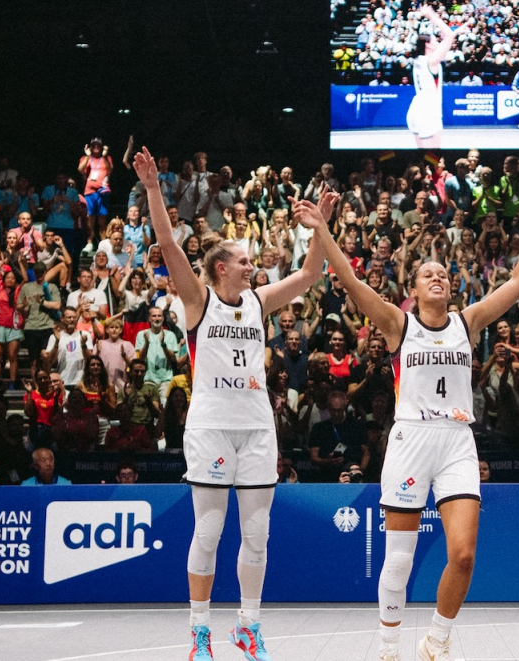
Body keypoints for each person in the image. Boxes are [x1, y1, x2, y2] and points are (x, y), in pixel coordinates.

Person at [313, 167, 519, 661]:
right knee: (400, 559)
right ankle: (388, 646)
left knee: (464, 554)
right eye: (429, 274)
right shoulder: (396, 323)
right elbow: (349, 278)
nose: (438, 278)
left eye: (444, 274)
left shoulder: (467, 322)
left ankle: (437, 641)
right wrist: (322, 229)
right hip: (410, 439)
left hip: (456, 441)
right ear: (414, 285)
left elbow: (517, 280)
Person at [139, 146, 337, 661]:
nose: (255, 266)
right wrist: (155, 189)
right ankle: (199, 631)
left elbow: (311, 276)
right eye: (245, 260)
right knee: (208, 529)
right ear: (221, 267)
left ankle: (248, 626)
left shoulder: (258, 300)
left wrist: (322, 226)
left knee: (257, 532)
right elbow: (166, 242)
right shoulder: (197, 299)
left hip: (256, 427)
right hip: (209, 428)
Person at [405, 6, 461, 149]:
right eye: (435, 40)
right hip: (429, 111)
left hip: (416, 107)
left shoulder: (418, 60)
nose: (438, 42)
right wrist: (432, 16)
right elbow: (449, 35)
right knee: (433, 157)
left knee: (421, 157)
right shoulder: (431, 61)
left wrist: (460, 30)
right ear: (428, 45)